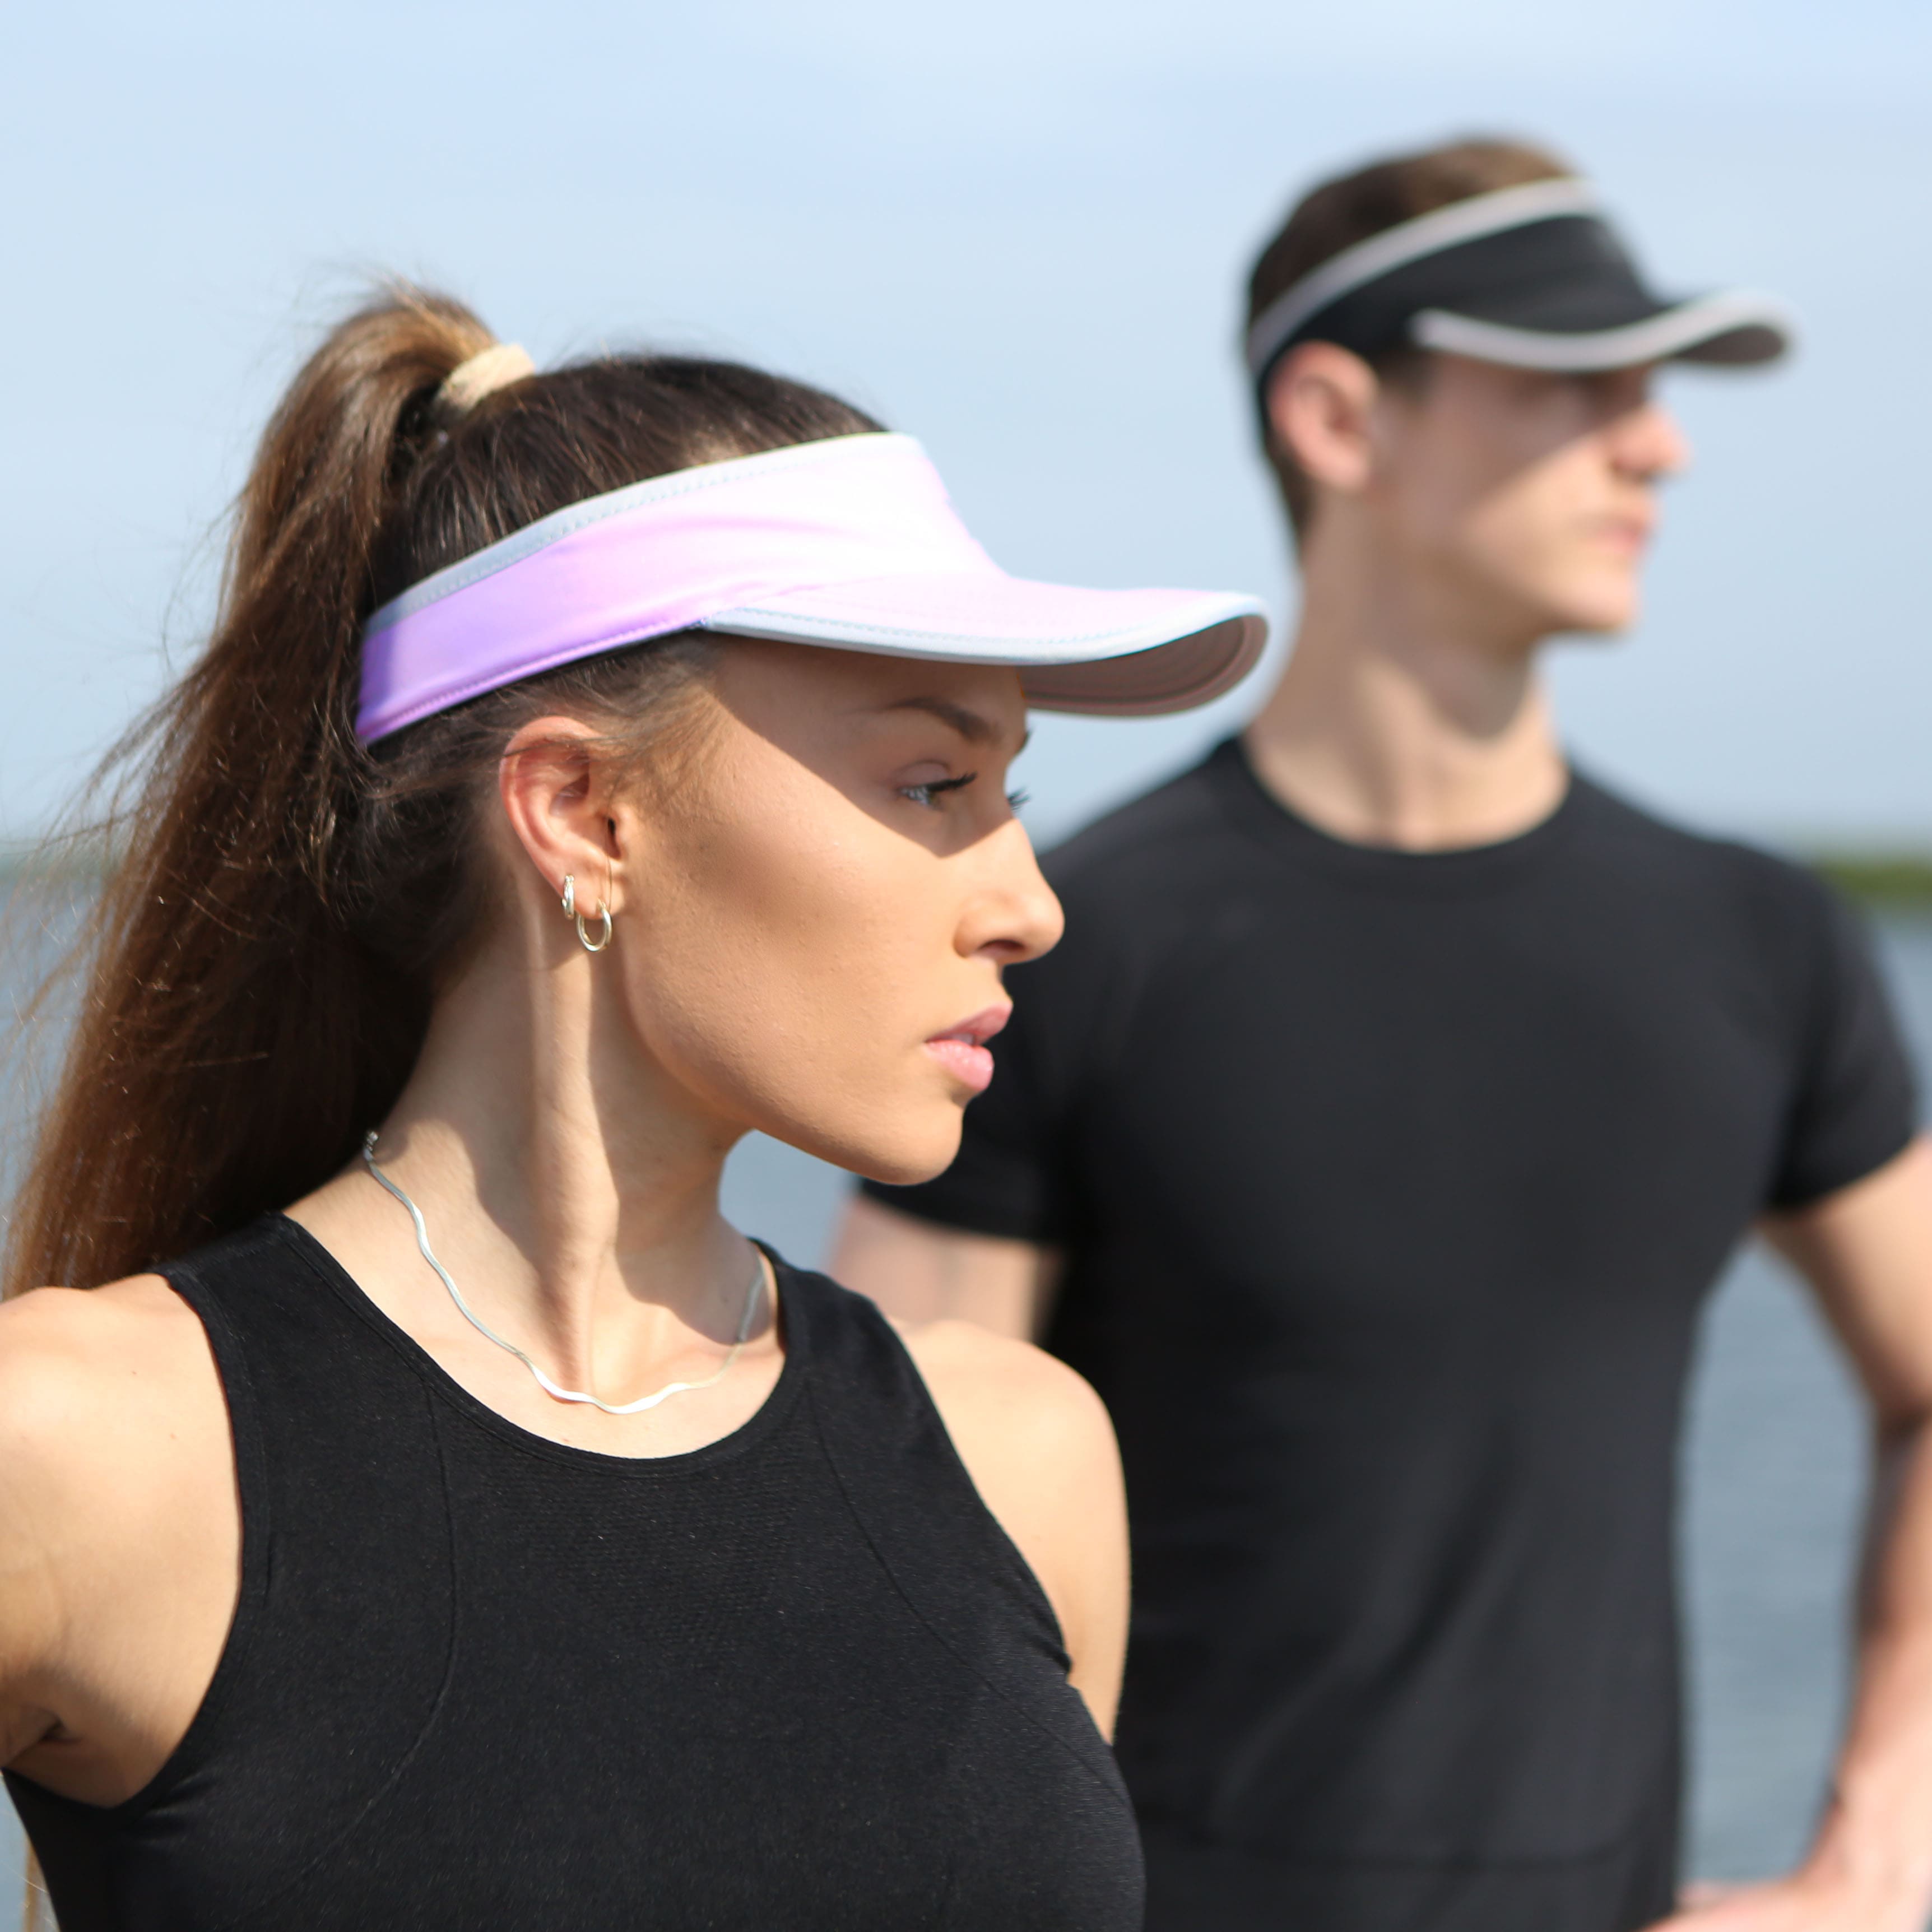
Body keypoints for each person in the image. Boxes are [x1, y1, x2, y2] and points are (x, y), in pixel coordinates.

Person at [0, 285, 1271, 1930]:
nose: (1029, 902)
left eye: (1012, 793)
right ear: (584, 812)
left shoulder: (1019, 1461)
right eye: (935, 785)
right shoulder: (92, 1449)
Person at [835, 138, 1932, 1932]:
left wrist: (1879, 1855)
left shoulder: (1757, 939)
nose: (1656, 443)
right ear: (1340, 420)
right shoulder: (1060, 942)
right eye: (1572, 384)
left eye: (1651, 392)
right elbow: (886, 1520)